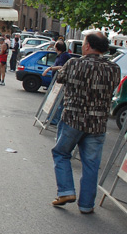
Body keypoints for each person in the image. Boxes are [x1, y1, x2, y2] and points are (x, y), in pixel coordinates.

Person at [51, 32, 120, 214]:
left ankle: (66, 191)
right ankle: (86, 204)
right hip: (97, 123)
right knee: (91, 163)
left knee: (61, 153)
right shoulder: (114, 68)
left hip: (73, 118)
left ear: (88, 46)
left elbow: (60, 78)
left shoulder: (74, 63)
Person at [42, 40, 72, 126]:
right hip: (56, 82)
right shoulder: (60, 56)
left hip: (61, 83)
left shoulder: (64, 56)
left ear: (57, 48)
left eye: (55, 46)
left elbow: (62, 66)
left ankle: (55, 119)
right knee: (55, 101)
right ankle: (51, 118)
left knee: (58, 102)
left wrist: (49, 68)